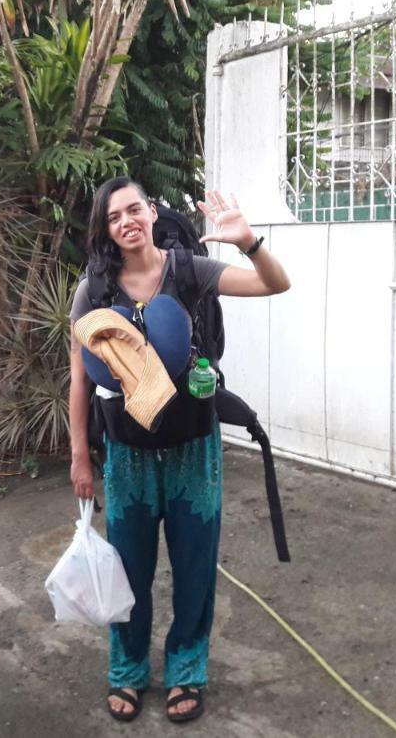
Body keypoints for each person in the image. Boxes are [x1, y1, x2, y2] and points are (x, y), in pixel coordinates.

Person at [68, 178, 290, 725]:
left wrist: (247, 241)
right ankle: (128, 670)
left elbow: (275, 285)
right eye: (115, 215)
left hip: (193, 446)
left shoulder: (190, 269)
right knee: (129, 568)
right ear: (105, 229)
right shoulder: (94, 289)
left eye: (135, 209)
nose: (128, 221)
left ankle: (187, 669)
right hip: (128, 454)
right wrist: (79, 455)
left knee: (194, 566)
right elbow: (78, 380)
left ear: (150, 212)